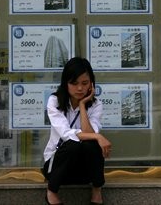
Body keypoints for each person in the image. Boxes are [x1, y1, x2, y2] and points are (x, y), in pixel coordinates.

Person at [42, 57, 112, 205]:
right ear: (65, 83)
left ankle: (97, 190)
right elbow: (66, 134)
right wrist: (97, 136)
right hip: (57, 168)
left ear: (91, 84)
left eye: (84, 83)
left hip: (83, 171)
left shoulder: (96, 105)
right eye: (74, 83)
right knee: (73, 143)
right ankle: (52, 191)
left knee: (91, 144)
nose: (80, 88)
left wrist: (82, 104)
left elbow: (90, 135)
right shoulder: (54, 101)